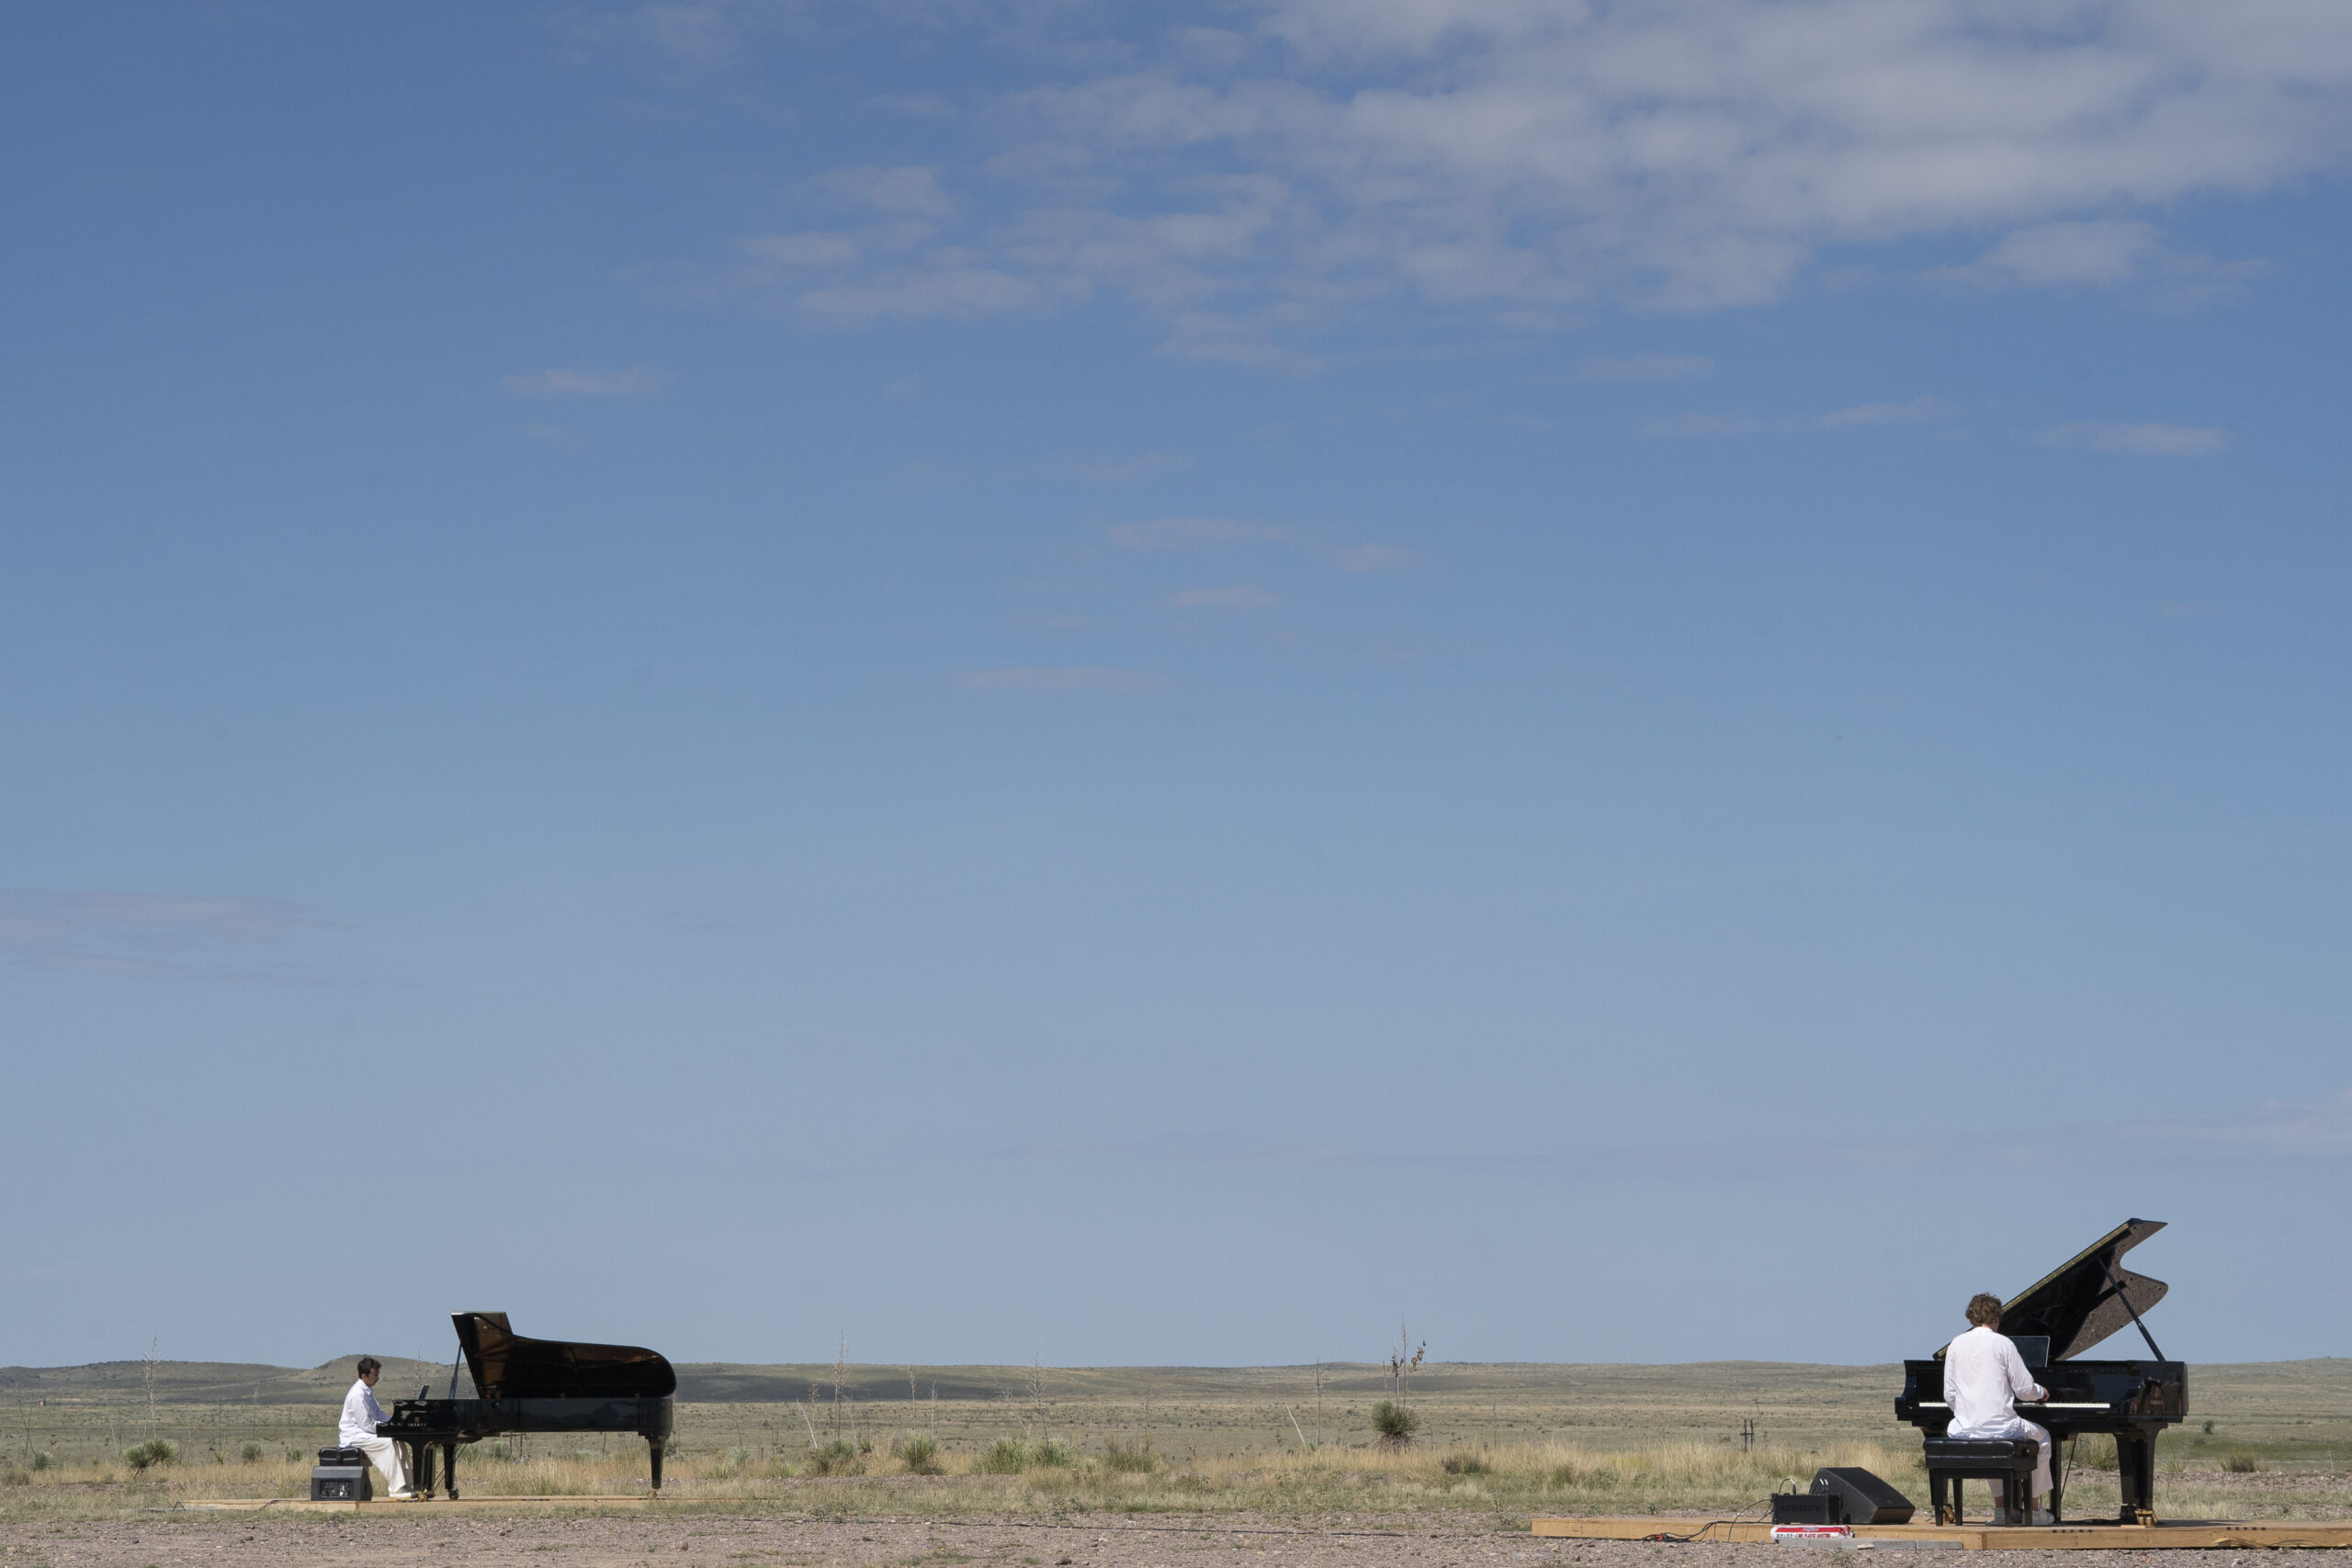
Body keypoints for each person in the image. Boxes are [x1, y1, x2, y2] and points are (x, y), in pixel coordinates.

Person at [1943, 1293, 2052, 1524]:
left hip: (1964, 1428)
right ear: (1996, 1317)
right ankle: (2034, 1510)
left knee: (1991, 1447)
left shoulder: (1955, 1344)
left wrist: (1969, 1413)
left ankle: (2002, 1511)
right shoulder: (2003, 1343)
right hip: (2002, 1427)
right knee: (2043, 1438)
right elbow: (2024, 1390)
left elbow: (1949, 1395)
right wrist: (2041, 1392)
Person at [339, 1357, 415, 1500]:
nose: (378, 1378)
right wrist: (387, 1430)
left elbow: (378, 1414)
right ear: (364, 1376)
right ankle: (396, 1489)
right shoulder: (357, 1394)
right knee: (387, 1443)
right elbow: (366, 1424)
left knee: (400, 1441)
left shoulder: (367, 1391)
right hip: (354, 1437)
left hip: (364, 1434)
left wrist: (394, 1424)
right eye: (375, 1375)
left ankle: (408, 1484)